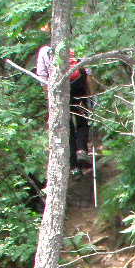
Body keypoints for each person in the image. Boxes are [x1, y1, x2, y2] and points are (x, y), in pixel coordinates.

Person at [36, 30, 94, 170]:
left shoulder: (45, 51)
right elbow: (88, 73)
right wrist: (91, 95)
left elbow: (42, 77)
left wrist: (49, 99)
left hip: (58, 92)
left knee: (66, 126)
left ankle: (73, 164)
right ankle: (82, 151)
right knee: (82, 121)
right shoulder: (77, 46)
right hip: (78, 89)